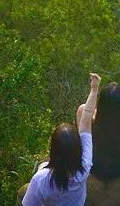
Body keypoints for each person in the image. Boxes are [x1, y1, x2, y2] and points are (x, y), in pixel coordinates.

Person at [22, 72, 101, 206]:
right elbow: (86, 122)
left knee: (41, 166)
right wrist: (94, 90)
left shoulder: (40, 180)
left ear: (53, 150)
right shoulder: (85, 166)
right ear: (78, 150)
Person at [84, 35, 120, 180]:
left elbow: (86, 112)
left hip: (96, 168)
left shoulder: (93, 124)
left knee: (82, 110)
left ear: (100, 104)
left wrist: (94, 88)